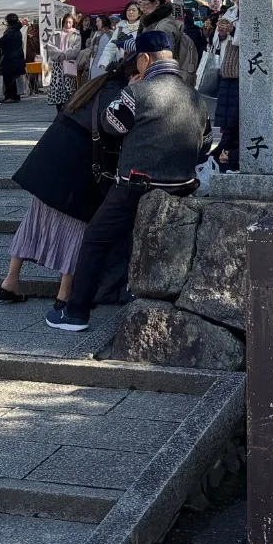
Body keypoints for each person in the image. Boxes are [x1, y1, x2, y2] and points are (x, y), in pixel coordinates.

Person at [48, 30, 209, 333]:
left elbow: (111, 125)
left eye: (137, 61)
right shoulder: (194, 96)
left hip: (136, 187)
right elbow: (205, 145)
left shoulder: (138, 92)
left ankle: (76, 313)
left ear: (145, 59)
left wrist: (129, 92)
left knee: (95, 239)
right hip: (182, 188)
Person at [0, 61, 128, 306]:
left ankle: (10, 281)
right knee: (77, 224)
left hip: (50, 155)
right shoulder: (121, 94)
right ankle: (64, 294)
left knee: (35, 219)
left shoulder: (96, 84)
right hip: (77, 161)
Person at [128, 0, 199, 83]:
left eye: (142, 3)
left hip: (163, 83)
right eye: (138, 4)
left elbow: (162, 63)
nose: (140, 8)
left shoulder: (165, 26)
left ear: (156, 2)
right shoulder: (151, 22)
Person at [212, 18, 240, 167]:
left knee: (234, 117)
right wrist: (221, 34)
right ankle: (221, 150)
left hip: (239, 74)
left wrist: (233, 30)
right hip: (225, 72)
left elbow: (249, 40)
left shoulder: (248, 14)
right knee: (222, 116)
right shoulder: (229, 14)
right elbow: (215, 44)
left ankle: (232, 153)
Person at [49, 10, 83, 110]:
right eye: (66, 22)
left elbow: (76, 49)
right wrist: (59, 54)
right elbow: (50, 46)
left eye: (70, 22)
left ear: (73, 23)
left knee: (69, 89)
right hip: (58, 65)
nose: (68, 24)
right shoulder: (56, 33)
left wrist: (65, 54)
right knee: (57, 88)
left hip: (69, 65)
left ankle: (69, 109)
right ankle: (59, 110)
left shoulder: (76, 34)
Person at [0, 13, 27, 102]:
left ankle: (11, 97)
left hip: (10, 58)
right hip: (16, 57)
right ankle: (13, 96)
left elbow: (1, 43)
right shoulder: (17, 30)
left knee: (9, 78)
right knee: (13, 78)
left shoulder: (10, 32)